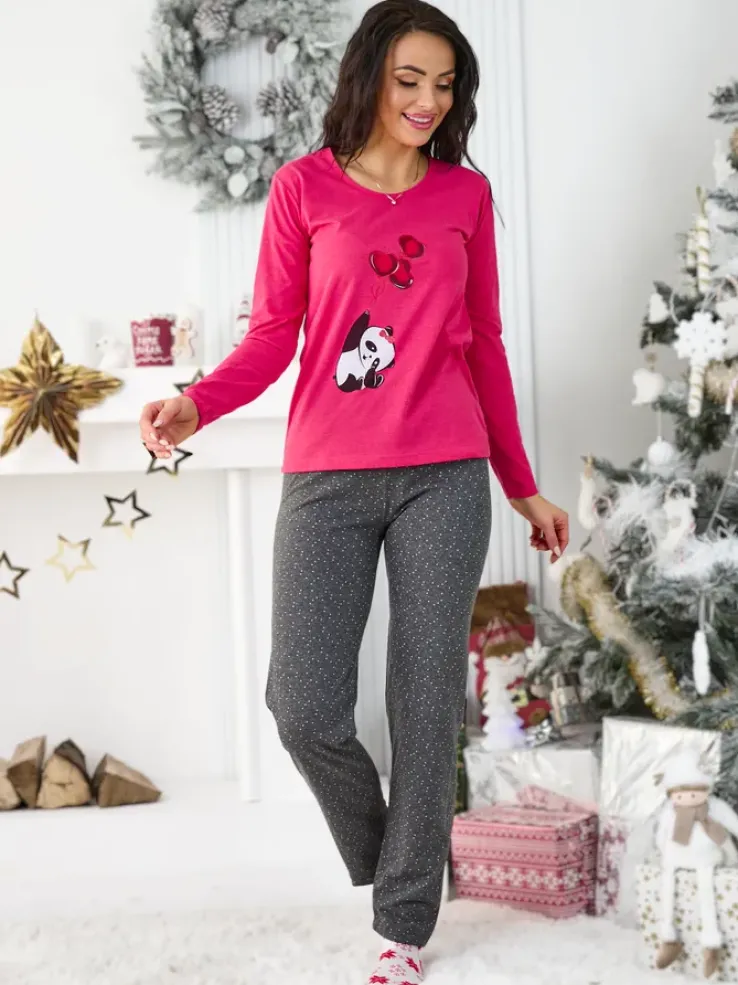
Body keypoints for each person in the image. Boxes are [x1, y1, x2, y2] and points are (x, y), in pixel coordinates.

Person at [139, 1, 568, 980]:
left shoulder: (464, 195)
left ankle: (404, 923)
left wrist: (522, 485)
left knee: (423, 697)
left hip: (445, 475)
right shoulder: (304, 188)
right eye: (409, 79)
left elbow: (485, 347)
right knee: (302, 706)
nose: (427, 101)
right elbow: (270, 337)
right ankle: (399, 857)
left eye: (444, 85)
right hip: (328, 476)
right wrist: (196, 404)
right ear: (370, 76)